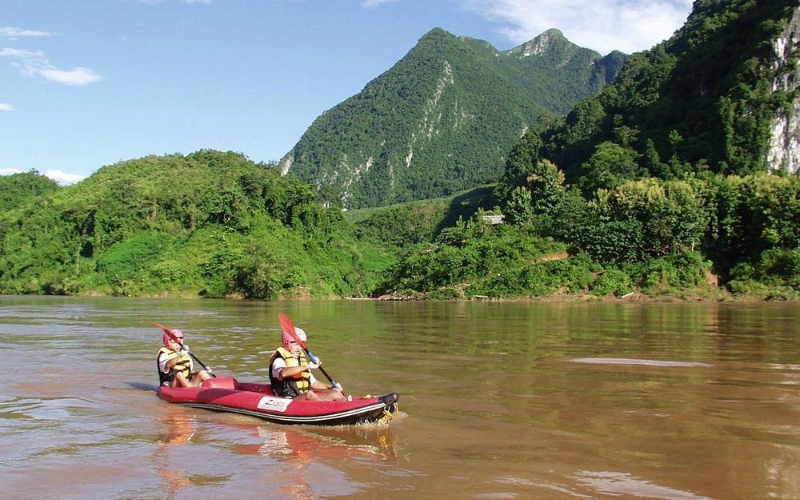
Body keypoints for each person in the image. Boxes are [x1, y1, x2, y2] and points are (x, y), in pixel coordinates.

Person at [269, 327, 346, 401]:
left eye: (301, 345)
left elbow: (313, 383)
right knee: (309, 394)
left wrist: (331, 387)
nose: (299, 348)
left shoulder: (300, 359)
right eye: (296, 345)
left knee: (337, 394)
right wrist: (308, 366)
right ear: (287, 343)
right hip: (290, 399)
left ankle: (345, 405)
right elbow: (283, 373)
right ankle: (325, 406)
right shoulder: (279, 359)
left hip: (304, 396)